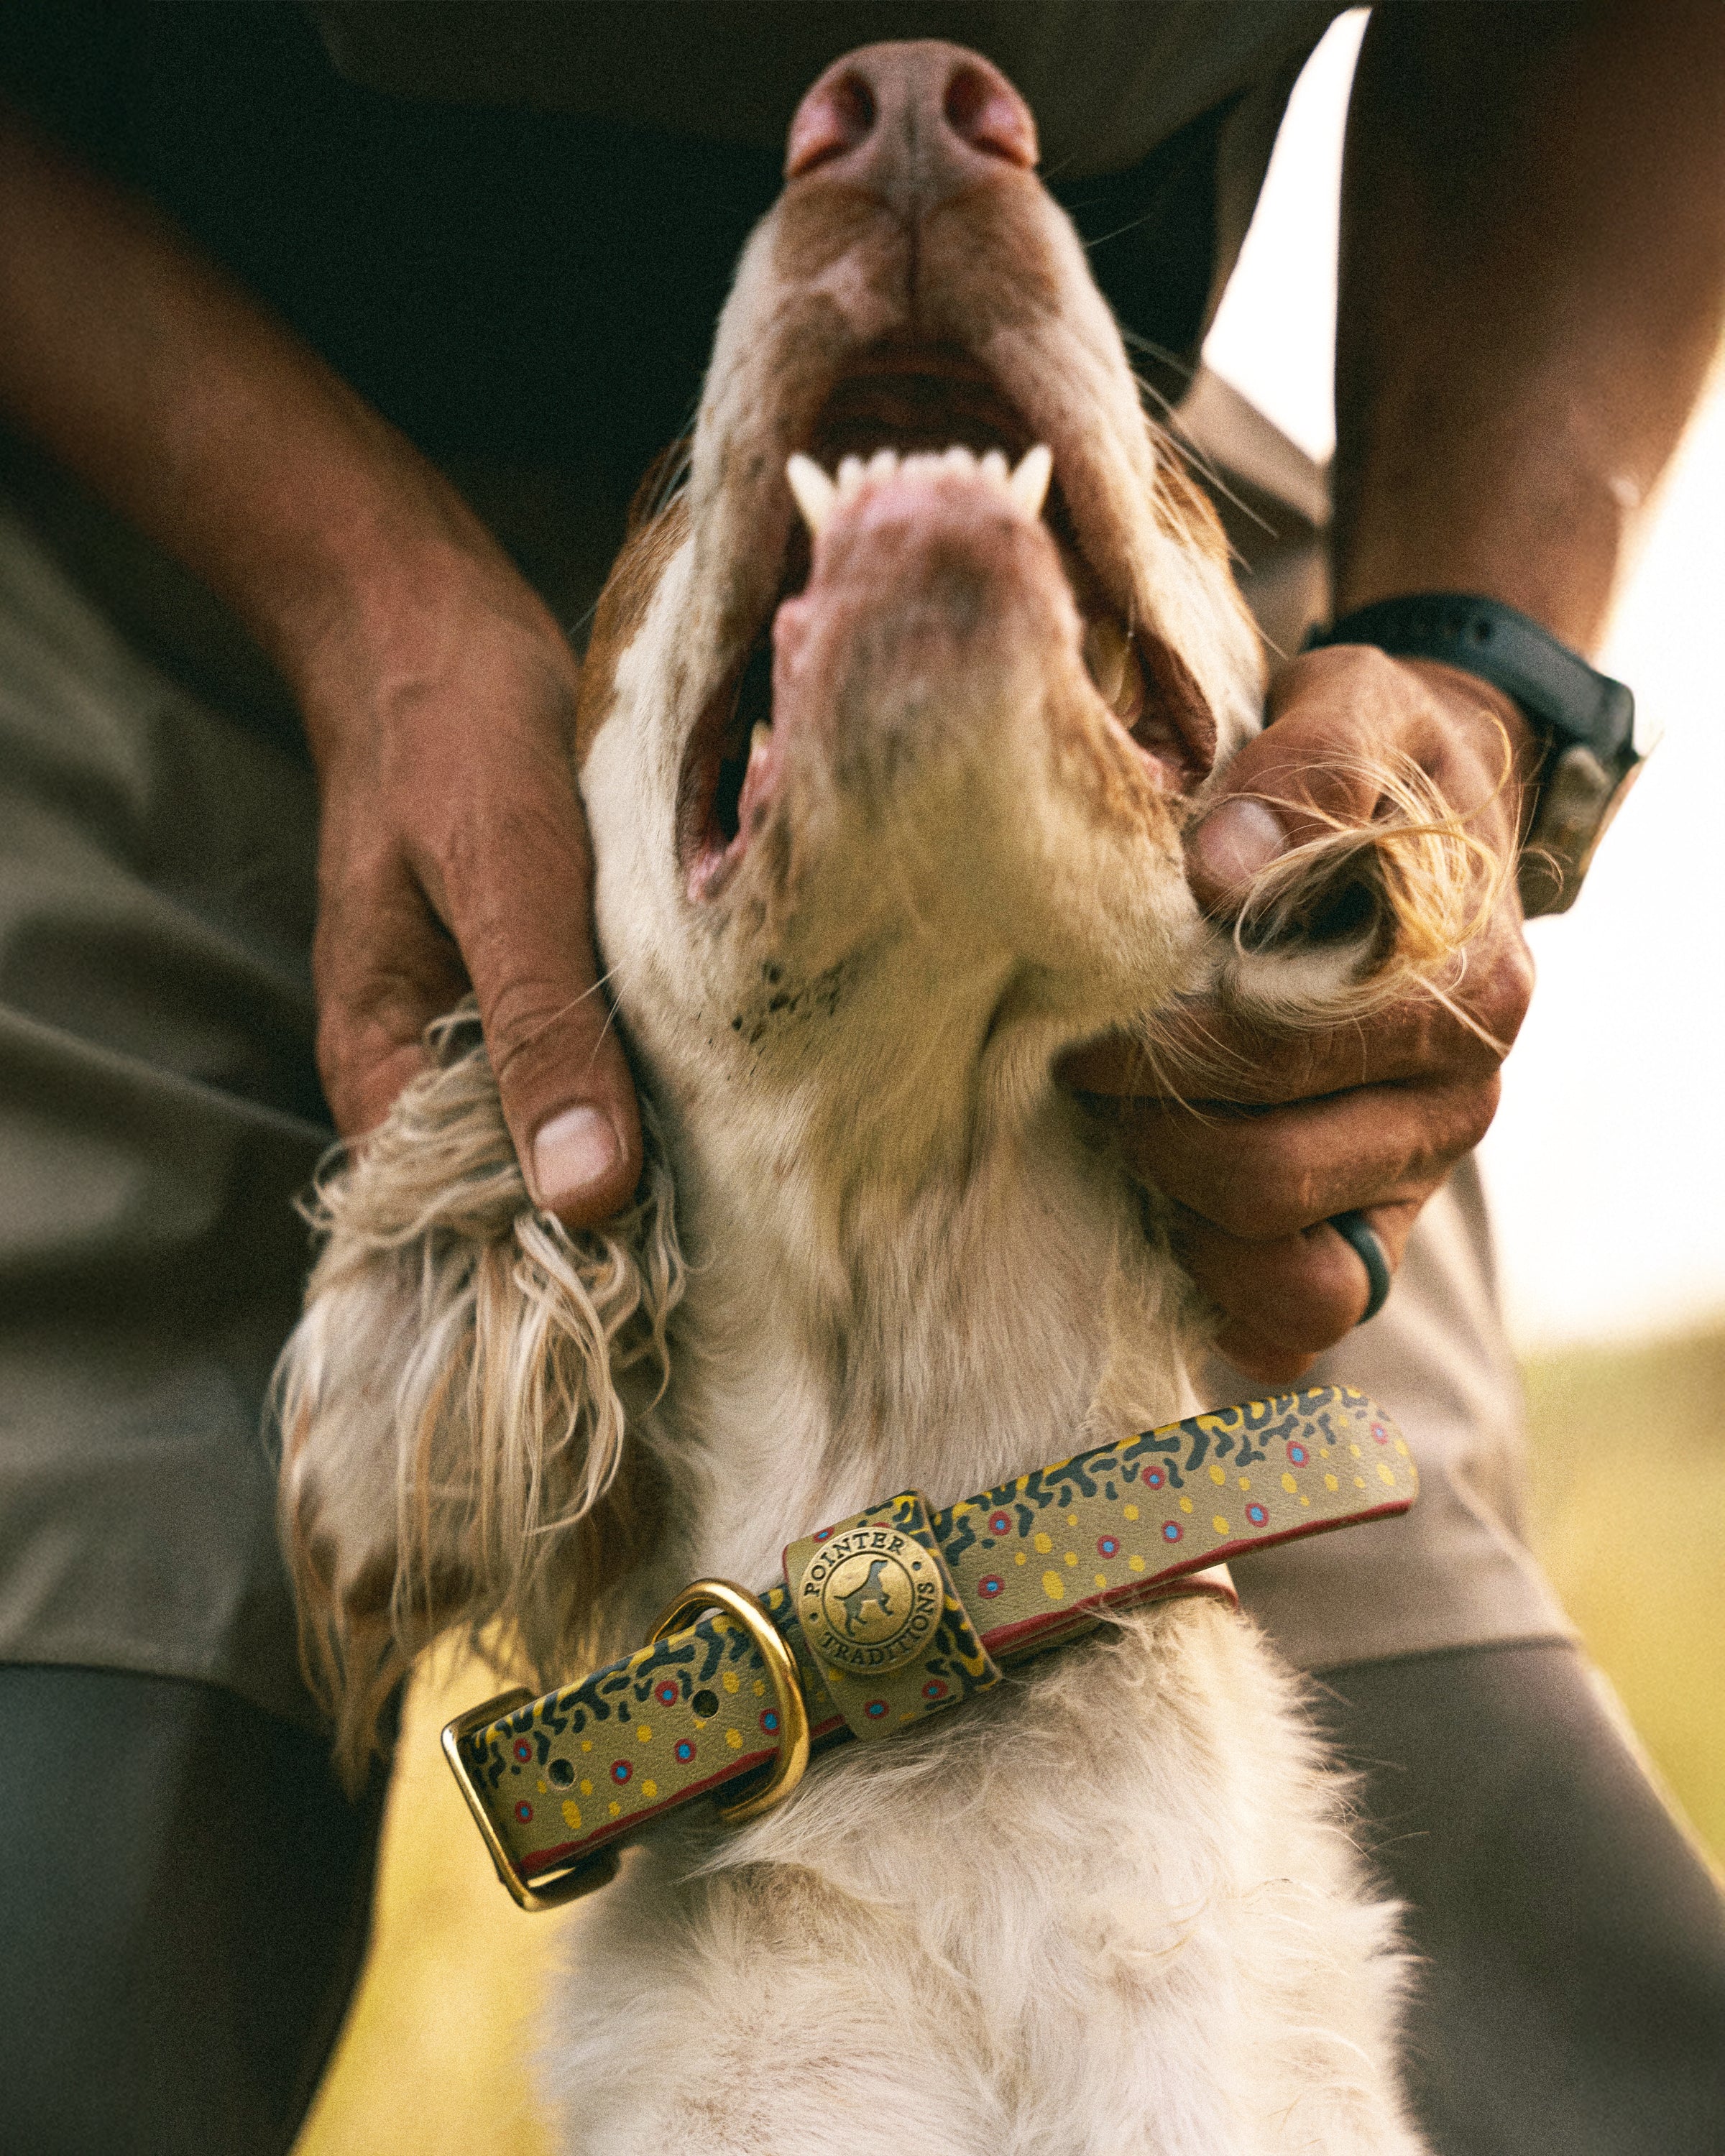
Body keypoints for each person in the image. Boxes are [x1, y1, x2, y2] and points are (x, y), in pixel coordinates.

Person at [0, 5, 1719, 2152]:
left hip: (1164, 456)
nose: (911, 104)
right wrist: (356, 593)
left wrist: (1467, 662)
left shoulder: (1253, 825)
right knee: (71, 1904)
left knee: (1554, 1984)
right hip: (131, 503)